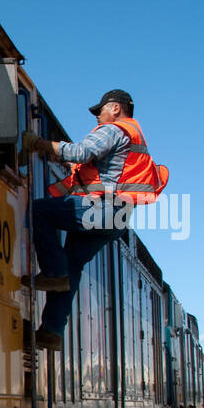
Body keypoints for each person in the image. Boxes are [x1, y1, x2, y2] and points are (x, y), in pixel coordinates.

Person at [21, 89, 168, 351]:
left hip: (103, 210)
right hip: (117, 219)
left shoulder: (115, 129)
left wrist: (37, 143)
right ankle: (51, 331)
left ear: (114, 108)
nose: (97, 118)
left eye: (99, 112)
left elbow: (80, 151)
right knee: (72, 266)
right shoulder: (133, 138)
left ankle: (53, 272)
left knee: (39, 211)